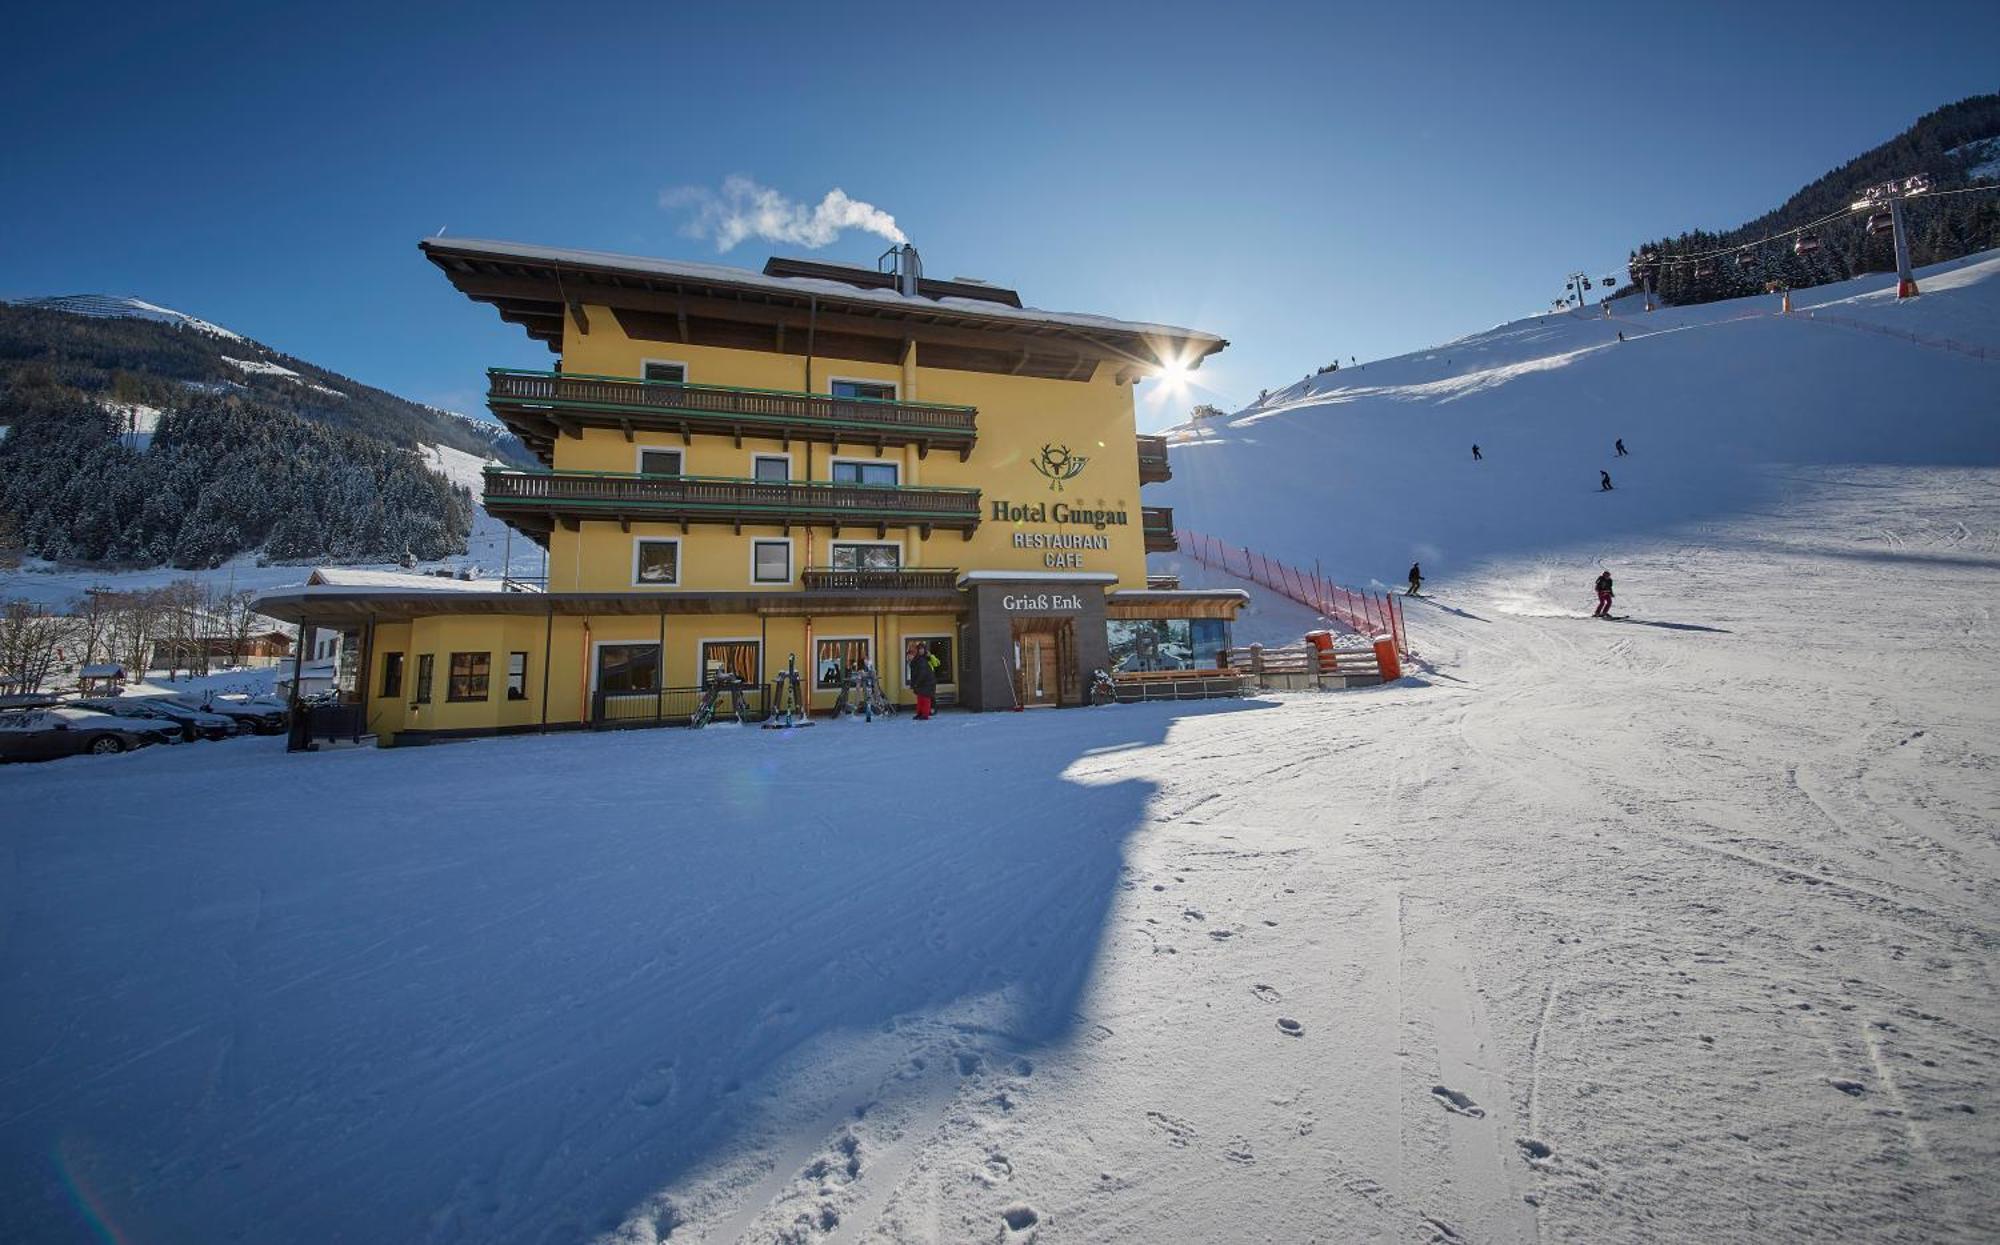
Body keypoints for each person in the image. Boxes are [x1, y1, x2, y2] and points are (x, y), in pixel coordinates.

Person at [907, 641, 936, 720]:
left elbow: (922, 673)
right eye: (908, 656)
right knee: (920, 699)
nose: (909, 657)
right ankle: (920, 713)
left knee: (925, 699)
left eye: (910, 655)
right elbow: (914, 674)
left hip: (927, 683)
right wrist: (913, 684)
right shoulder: (914, 661)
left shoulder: (920, 661)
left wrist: (916, 683)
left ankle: (925, 715)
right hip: (922, 683)